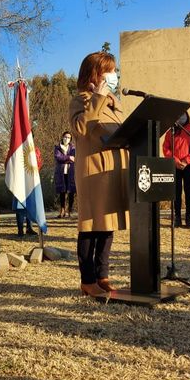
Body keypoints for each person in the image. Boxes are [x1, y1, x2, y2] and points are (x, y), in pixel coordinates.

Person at [70, 51, 128, 297]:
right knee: (91, 225)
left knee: (107, 224)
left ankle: (102, 275)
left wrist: (109, 100)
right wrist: (98, 98)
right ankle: (88, 280)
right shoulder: (81, 100)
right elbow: (81, 128)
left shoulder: (114, 103)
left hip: (113, 170)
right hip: (93, 170)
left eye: (114, 70)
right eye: (109, 71)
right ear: (95, 74)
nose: (114, 75)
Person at [162, 114, 190, 228]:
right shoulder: (170, 132)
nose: (180, 117)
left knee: (189, 191)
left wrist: (187, 160)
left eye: (182, 115)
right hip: (175, 166)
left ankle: (188, 217)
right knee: (176, 192)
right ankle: (177, 217)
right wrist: (175, 161)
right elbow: (166, 148)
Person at [54, 131, 76, 218]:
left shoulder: (73, 148)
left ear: (70, 139)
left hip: (71, 173)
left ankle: (70, 210)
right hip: (61, 173)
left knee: (71, 192)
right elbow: (58, 157)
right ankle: (62, 210)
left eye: (68, 137)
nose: (67, 139)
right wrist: (69, 157)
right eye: (65, 137)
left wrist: (65, 159)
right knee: (62, 192)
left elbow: (74, 158)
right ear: (62, 137)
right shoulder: (57, 147)